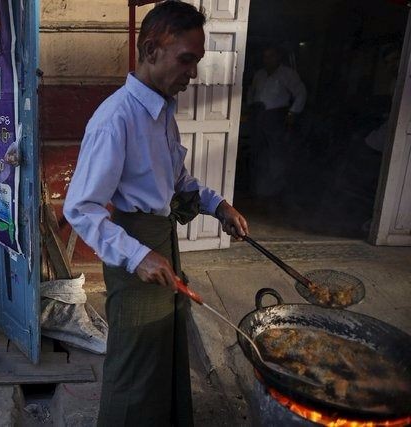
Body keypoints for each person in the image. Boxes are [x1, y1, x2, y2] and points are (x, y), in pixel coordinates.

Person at [63, 2, 248, 426]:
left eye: (197, 62)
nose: (193, 74)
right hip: (135, 251)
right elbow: (81, 207)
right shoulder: (116, 119)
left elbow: (178, 179)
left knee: (164, 347)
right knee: (134, 361)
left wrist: (218, 205)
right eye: (186, 60)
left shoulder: (163, 111)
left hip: (162, 240)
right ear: (150, 50)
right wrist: (138, 256)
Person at [247, 46, 307, 197]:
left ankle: (274, 191)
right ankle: (257, 189)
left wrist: (293, 112)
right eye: (265, 56)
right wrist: (250, 109)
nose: (268, 60)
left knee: (276, 154)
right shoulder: (259, 74)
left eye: (271, 56)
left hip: (276, 118)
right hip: (259, 116)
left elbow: (301, 93)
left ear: (278, 57)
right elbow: (251, 92)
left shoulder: (288, 74)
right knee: (258, 152)